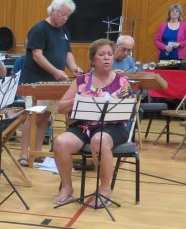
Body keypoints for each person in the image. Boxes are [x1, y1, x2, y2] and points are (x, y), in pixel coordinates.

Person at [52, 39, 131, 206]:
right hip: (84, 126)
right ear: (93, 59)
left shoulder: (122, 81)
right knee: (60, 142)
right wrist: (78, 100)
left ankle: (104, 189)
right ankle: (67, 187)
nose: (107, 58)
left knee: (99, 140)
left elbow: (127, 111)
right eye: (101, 55)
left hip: (113, 127)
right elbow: (60, 107)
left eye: (109, 54)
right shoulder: (81, 81)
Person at [18, 0, 84, 166]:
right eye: (62, 14)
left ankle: (38, 152)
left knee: (45, 117)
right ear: (53, 10)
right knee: (34, 115)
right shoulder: (39, 29)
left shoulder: (64, 31)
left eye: (68, 15)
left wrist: (74, 68)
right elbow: (37, 55)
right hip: (35, 81)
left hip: (52, 82)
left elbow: (68, 53)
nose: (65, 18)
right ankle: (24, 154)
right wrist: (55, 71)